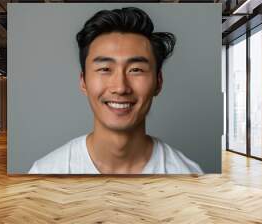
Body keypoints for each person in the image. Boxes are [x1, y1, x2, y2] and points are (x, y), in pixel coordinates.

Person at [29, 7, 203, 174]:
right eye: (105, 69)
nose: (120, 87)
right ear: (83, 81)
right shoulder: (44, 173)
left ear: (158, 82)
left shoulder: (190, 177)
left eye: (136, 69)